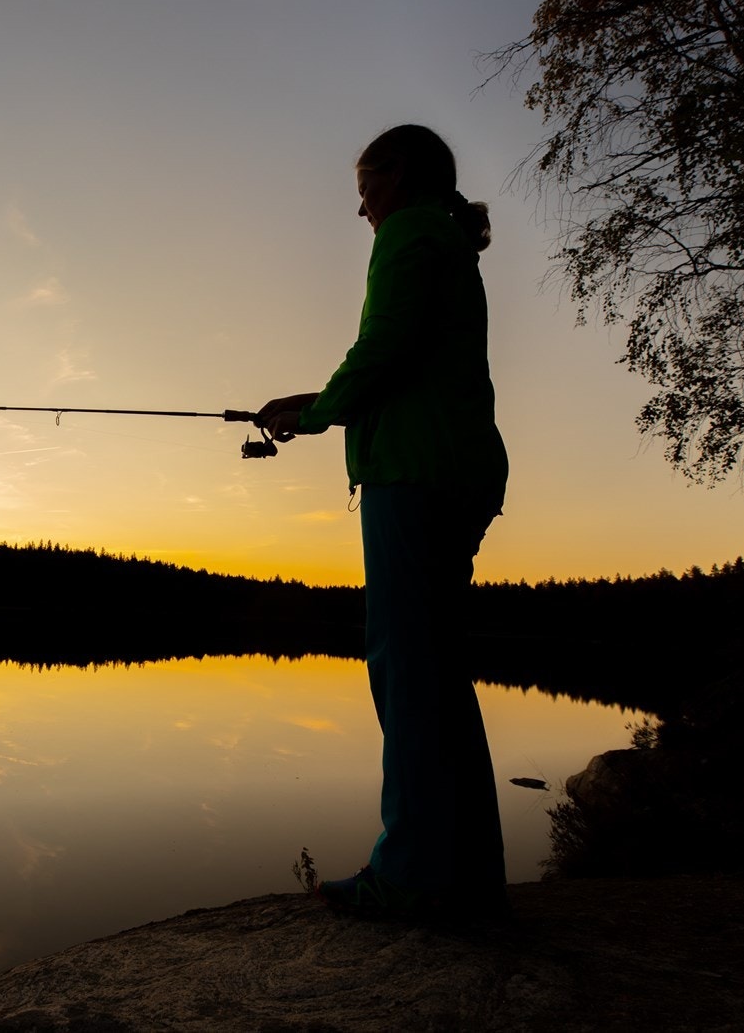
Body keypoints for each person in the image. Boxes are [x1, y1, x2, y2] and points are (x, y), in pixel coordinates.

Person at [258, 123, 508, 918]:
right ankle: (466, 871)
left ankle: (409, 873)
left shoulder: (406, 233)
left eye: (365, 185)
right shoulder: (444, 241)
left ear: (397, 176)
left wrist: (320, 411)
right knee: (436, 674)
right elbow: (398, 359)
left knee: (405, 674)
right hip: (455, 467)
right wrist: (319, 403)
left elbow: (385, 348)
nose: (360, 206)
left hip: (414, 473)